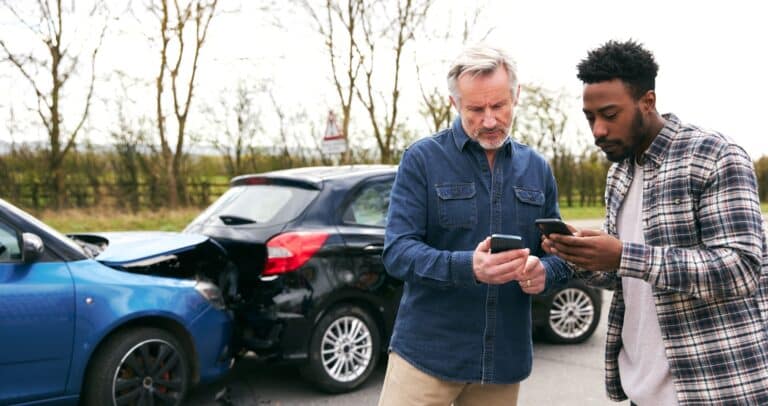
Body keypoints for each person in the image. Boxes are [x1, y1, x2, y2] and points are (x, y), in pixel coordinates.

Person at [543, 39, 768, 405]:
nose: (597, 129)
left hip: (716, 389)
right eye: (590, 117)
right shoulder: (619, 175)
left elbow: (740, 270)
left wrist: (623, 255)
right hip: (642, 390)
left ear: (647, 102)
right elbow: (627, 278)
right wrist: (580, 255)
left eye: (609, 114)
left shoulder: (715, 156)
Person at [378, 44, 570, 406]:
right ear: (454, 104)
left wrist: (545, 272)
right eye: (475, 109)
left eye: (498, 106)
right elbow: (398, 252)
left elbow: (560, 255)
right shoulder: (421, 159)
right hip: (426, 358)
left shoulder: (538, 169)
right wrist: (470, 266)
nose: (489, 121)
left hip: (503, 364)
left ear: (516, 95)